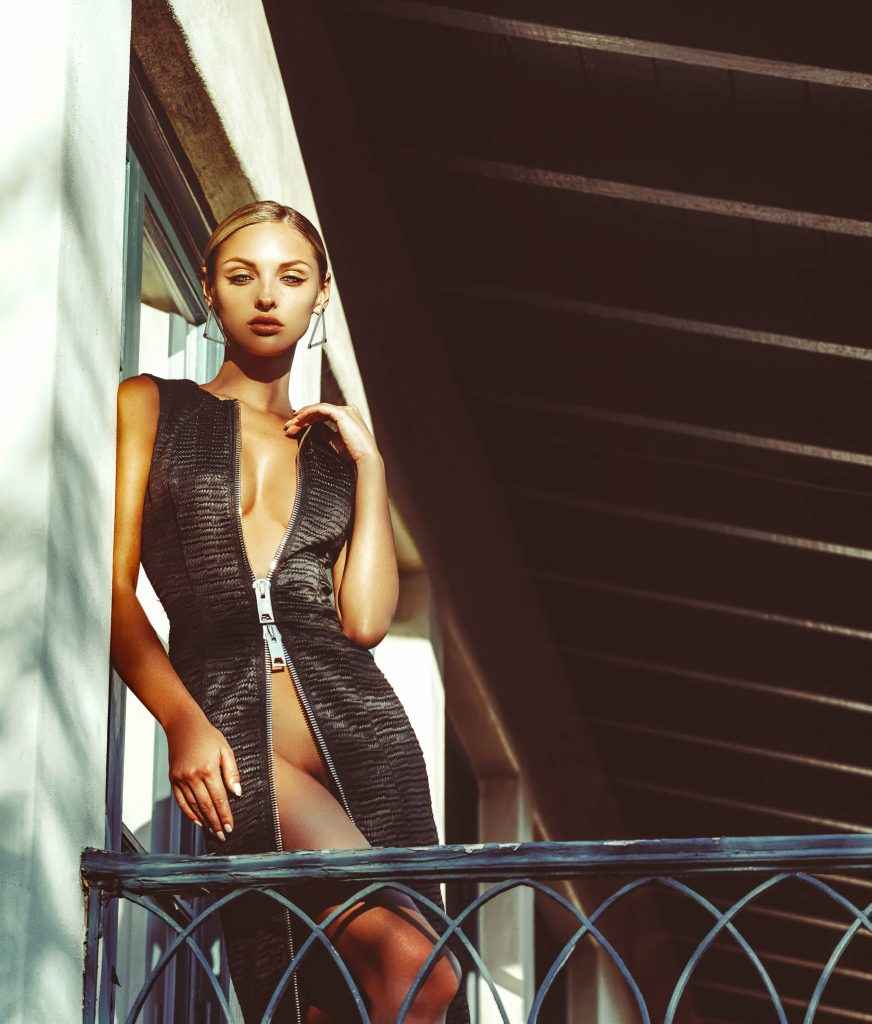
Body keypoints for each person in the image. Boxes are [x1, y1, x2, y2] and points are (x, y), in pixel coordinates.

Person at [111, 200, 470, 1024]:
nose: (267, 295)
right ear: (209, 289)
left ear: (321, 295)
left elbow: (365, 622)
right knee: (419, 969)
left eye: (291, 277)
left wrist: (370, 464)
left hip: (367, 736)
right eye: (243, 276)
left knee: (337, 1000)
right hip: (232, 736)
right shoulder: (152, 405)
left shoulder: (332, 450)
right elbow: (115, 593)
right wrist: (182, 722)